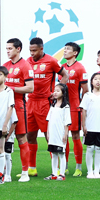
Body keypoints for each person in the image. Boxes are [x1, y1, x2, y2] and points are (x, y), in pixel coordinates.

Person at [27, 37, 68, 177]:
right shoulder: (27, 61)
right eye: (30, 50)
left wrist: (58, 92)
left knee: (49, 136)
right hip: (30, 102)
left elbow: (65, 75)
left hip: (45, 103)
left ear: (41, 49)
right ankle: (32, 168)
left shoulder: (51, 61)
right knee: (30, 135)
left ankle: (58, 168)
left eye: (34, 50)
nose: (32, 53)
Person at [3, 38, 34, 181]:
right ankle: (3, 173)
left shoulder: (25, 66)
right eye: (7, 49)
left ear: (18, 49)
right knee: (3, 138)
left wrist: (12, 88)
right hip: (5, 107)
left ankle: (25, 173)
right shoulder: (5, 66)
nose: (8, 51)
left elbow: (30, 88)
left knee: (21, 138)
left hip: (19, 105)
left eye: (10, 48)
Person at [62, 42, 88, 177]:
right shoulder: (62, 68)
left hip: (74, 107)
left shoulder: (80, 68)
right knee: (63, 137)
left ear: (75, 53)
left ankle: (78, 167)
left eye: (68, 49)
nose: (65, 51)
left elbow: (85, 90)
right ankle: (64, 166)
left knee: (75, 136)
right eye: (64, 49)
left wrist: (82, 107)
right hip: (63, 107)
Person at [80, 72, 100, 179]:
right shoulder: (87, 96)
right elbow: (84, 111)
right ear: (91, 82)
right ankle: (90, 171)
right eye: (95, 79)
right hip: (90, 127)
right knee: (89, 148)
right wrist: (84, 125)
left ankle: (96, 171)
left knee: (99, 149)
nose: (98, 81)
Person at [45, 83, 72, 181]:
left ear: (63, 93)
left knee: (61, 153)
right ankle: (54, 173)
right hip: (53, 133)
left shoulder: (65, 106)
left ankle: (62, 174)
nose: (55, 93)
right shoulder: (53, 105)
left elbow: (67, 122)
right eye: (54, 90)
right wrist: (48, 132)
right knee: (54, 153)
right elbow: (49, 119)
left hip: (60, 133)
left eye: (58, 91)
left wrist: (65, 134)